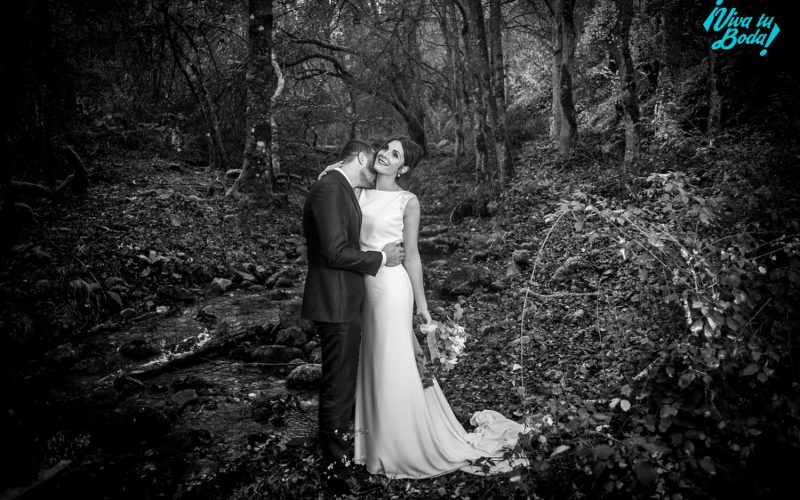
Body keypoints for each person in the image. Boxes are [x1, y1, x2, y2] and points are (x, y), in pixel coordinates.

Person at [324, 136, 528, 479]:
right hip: (360, 286)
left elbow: (414, 256)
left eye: (395, 154)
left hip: (391, 288)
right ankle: (371, 445)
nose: (385, 156)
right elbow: (333, 186)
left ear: (404, 167)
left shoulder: (408, 201)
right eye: (385, 149)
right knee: (369, 360)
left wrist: (422, 307)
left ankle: (401, 446)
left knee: (392, 362)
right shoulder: (356, 189)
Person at [301, 140, 405, 493]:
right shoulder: (330, 189)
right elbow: (333, 251)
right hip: (335, 302)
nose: (373, 170)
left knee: (342, 383)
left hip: (344, 300)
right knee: (338, 387)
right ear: (360, 157)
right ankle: (335, 470)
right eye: (370, 163)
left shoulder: (339, 186)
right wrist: (380, 258)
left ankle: (339, 455)